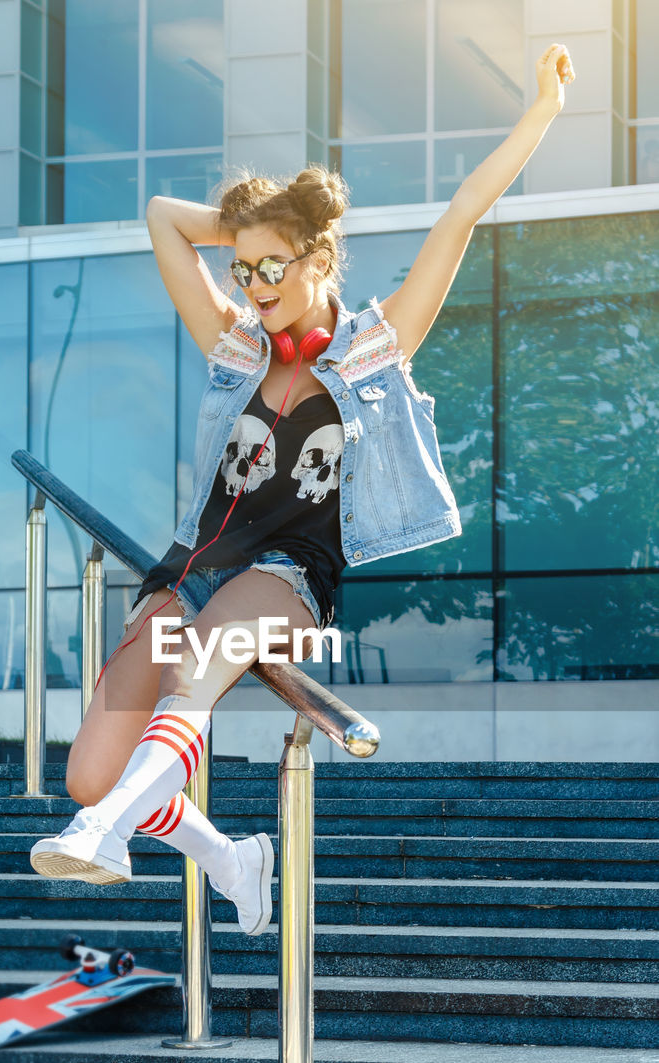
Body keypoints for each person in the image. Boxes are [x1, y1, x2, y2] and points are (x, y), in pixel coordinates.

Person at [30, 43, 576, 935]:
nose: (252, 285)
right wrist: (255, 225)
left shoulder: (372, 348)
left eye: (273, 266)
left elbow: (463, 213)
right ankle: (228, 857)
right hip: (186, 572)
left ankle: (104, 832)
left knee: (195, 678)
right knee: (91, 769)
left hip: (286, 574)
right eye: (243, 270)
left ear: (320, 261)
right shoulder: (236, 348)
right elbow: (165, 218)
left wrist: (543, 111)